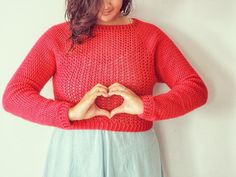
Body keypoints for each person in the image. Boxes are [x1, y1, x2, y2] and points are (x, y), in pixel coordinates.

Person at [2, 0, 208, 177]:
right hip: (74, 157)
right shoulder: (59, 36)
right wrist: (70, 113)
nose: (107, 4)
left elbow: (195, 89)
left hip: (134, 157)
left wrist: (146, 106)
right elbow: (14, 95)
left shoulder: (149, 36)